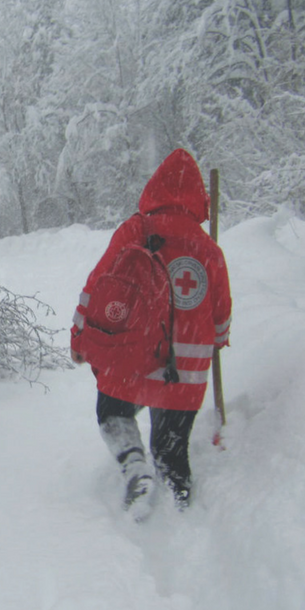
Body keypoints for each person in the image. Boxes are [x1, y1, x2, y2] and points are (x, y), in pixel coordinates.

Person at [71, 149, 232, 519]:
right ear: (198, 201)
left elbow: (97, 287)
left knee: (112, 414)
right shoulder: (208, 249)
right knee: (171, 449)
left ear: (154, 190)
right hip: (186, 371)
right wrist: (218, 339)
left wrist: (79, 336)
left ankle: (134, 468)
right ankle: (184, 514)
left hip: (132, 355)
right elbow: (221, 314)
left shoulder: (135, 231)